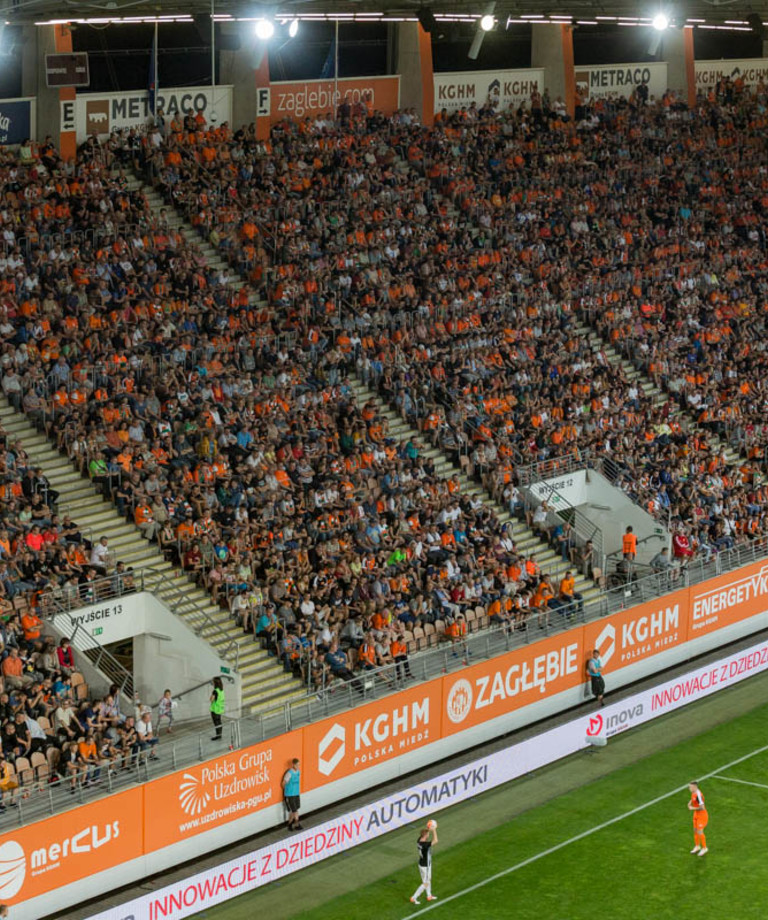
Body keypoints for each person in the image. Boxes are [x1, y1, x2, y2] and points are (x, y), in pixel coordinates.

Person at [410, 823, 438, 904]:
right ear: (425, 835)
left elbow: (424, 834)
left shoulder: (419, 841)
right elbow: (436, 841)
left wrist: (429, 828)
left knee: (428, 880)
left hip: (422, 863)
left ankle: (429, 895)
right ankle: (414, 897)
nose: (429, 835)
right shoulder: (425, 845)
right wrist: (434, 830)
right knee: (426, 883)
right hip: (425, 865)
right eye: (428, 834)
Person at [282, 757, 302, 831]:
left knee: (294, 810)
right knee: (295, 810)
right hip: (290, 795)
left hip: (296, 793)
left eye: (298, 765)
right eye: (296, 765)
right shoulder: (289, 773)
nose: (298, 766)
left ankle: (290, 824)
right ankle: (297, 824)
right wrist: (287, 790)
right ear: (293, 764)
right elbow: (283, 783)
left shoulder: (298, 772)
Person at [688, 781, 709, 856]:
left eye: (690, 787)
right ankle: (697, 846)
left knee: (700, 831)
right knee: (695, 830)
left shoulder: (698, 795)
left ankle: (704, 848)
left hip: (702, 815)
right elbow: (694, 799)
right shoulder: (694, 792)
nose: (689, 788)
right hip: (696, 814)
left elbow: (702, 807)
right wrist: (690, 802)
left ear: (695, 787)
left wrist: (692, 808)